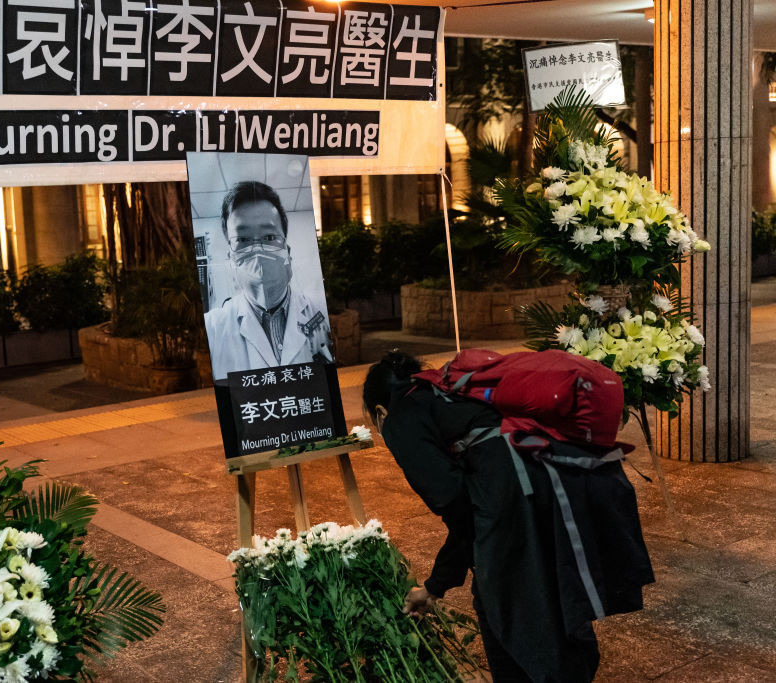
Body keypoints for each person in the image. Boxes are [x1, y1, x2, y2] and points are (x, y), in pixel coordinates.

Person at [363, 351, 655, 683]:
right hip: (549, 473)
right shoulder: (443, 389)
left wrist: (434, 585)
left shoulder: (400, 418)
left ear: (380, 412)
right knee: (547, 589)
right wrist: (441, 582)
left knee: (510, 608)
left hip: (514, 493)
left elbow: (456, 504)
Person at [204, 180, 333, 381]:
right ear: (231, 257)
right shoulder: (213, 328)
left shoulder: (320, 314)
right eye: (243, 240)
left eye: (270, 237)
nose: (258, 250)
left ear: (287, 252)